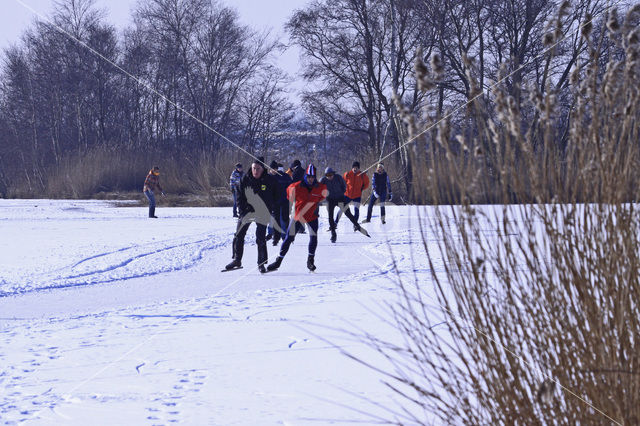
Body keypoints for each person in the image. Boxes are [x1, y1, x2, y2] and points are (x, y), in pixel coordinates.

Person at [267, 164, 327, 272]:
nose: (310, 179)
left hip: (312, 216)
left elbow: (323, 196)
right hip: (298, 216)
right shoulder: (296, 186)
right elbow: (288, 194)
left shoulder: (320, 187)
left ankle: (310, 261)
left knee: (313, 237)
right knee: (288, 238)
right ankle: (278, 261)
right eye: (309, 177)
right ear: (305, 176)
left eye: (313, 177)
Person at [225, 157, 278, 273]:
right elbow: (239, 196)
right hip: (247, 211)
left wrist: (271, 209)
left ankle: (261, 263)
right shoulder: (245, 178)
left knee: (260, 237)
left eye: (258, 169)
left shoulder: (269, 180)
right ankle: (237, 260)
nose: (255, 171)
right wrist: (242, 210)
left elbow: (275, 196)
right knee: (239, 234)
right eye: (254, 168)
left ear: (263, 169)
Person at [266, 161, 292, 245]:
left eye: (275, 169)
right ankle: (272, 234)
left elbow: (291, 187)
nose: (274, 171)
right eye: (272, 169)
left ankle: (282, 235)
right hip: (273, 202)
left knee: (281, 218)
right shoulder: (268, 177)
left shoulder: (283, 176)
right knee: (274, 218)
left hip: (283, 201)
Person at [320, 167, 346, 243]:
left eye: (331, 175)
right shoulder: (323, 180)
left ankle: (336, 222)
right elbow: (318, 189)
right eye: (327, 175)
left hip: (339, 197)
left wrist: (342, 193)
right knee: (330, 216)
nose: (329, 176)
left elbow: (344, 186)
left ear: (333, 174)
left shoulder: (338, 177)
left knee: (343, 210)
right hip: (330, 199)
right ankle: (333, 234)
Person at [343, 161, 370, 230]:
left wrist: (361, 189)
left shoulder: (362, 175)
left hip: (357, 196)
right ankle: (335, 223)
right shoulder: (348, 174)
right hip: (348, 195)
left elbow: (367, 184)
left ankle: (355, 224)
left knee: (356, 210)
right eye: (354, 168)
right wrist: (345, 189)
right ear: (352, 168)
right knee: (343, 208)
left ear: (358, 168)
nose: (355, 169)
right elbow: (343, 181)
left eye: (356, 168)